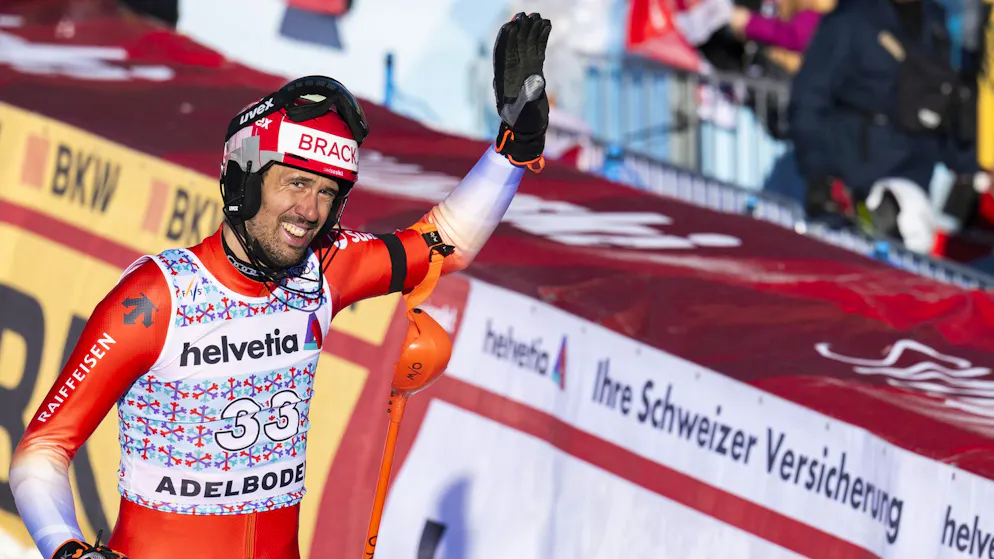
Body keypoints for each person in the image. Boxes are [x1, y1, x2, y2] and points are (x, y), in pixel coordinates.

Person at [9, 12, 552, 559]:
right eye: (295, 182)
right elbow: (43, 450)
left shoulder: (325, 269)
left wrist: (513, 148)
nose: (309, 211)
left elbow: (444, 243)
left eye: (326, 192)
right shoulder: (155, 298)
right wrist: (67, 550)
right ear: (243, 179)